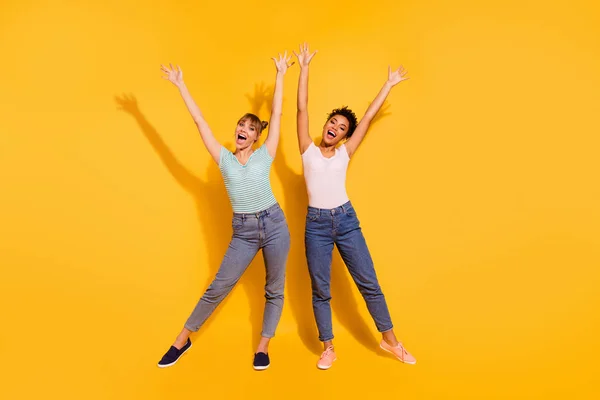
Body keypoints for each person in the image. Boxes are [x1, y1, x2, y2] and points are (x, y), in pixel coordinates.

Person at [157, 52, 293, 371]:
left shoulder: (265, 154)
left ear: (257, 136)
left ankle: (263, 346)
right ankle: (182, 340)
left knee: (274, 287)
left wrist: (281, 74)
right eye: (239, 126)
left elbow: (277, 112)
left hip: (274, 224)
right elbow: (199, 122)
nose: (242, 130)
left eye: (248, 127)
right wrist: (180, 85)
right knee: (218, 286)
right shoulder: (224, 159)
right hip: (244, 231)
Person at [293, 43, 416, 369]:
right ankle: (328, 347)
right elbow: (301, 108)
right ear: (326, 125)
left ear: (345, 137)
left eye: (342, 128)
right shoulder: (307, 150)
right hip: (316, 225)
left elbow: (368, 119)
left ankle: (391, 342)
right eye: (333, 122)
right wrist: (305, 67)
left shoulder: (346, 153)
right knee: (320, 289)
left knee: (369, 283)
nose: (335, 127)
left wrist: (387, 85)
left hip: (346, 220)